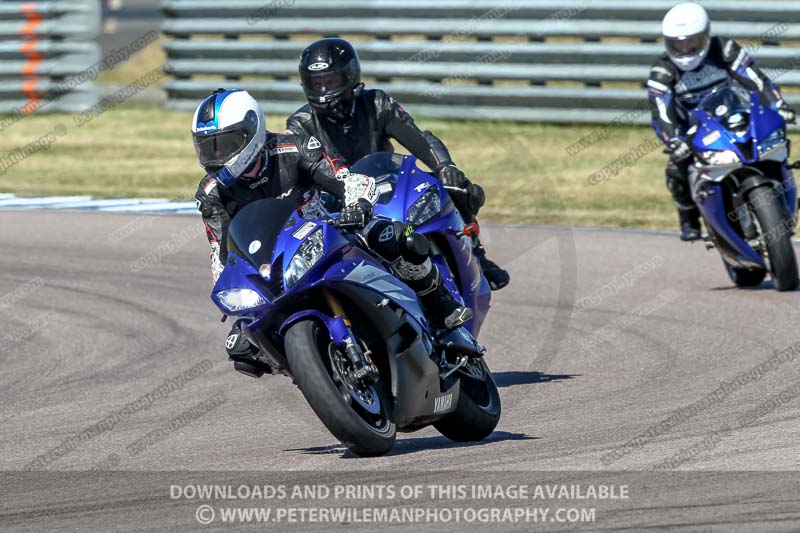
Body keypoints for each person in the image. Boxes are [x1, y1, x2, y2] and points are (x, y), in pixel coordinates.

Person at [192, 89, 472, 370]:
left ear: (251, 132)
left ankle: (442, 306)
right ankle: (310, 367)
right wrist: (228, 288)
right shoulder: (211, 193)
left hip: (328, 229)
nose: (216, 156)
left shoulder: (297, 148)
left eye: (224, 144)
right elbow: (220, 253)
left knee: (397, 237)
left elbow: (348, 180)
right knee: (241, 345)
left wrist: (357, 203)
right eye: (207, 147)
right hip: (273, 261)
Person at [286, 38, 510, 290]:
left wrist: (445, 167)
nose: (324, 90)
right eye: (317, 84)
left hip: (389, 184)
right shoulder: (300, 124)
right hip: (339, 201)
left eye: (331, 81)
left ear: (349, 77)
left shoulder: (376, 103)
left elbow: (420, 139)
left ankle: (477, 256)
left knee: (459, 189)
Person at [647, 2, 796, 241]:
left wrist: (778, 105)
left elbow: (756, 80)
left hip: (732, 114)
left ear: (705, 36)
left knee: (771, 141)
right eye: (677, 43)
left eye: (691, 42)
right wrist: (674, 139)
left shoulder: (723, 48)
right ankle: (688, 218)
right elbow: (661, 112)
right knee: (676, 169)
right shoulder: (662, 71)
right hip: (691, 129)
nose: (684, 48)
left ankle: (782, 191)